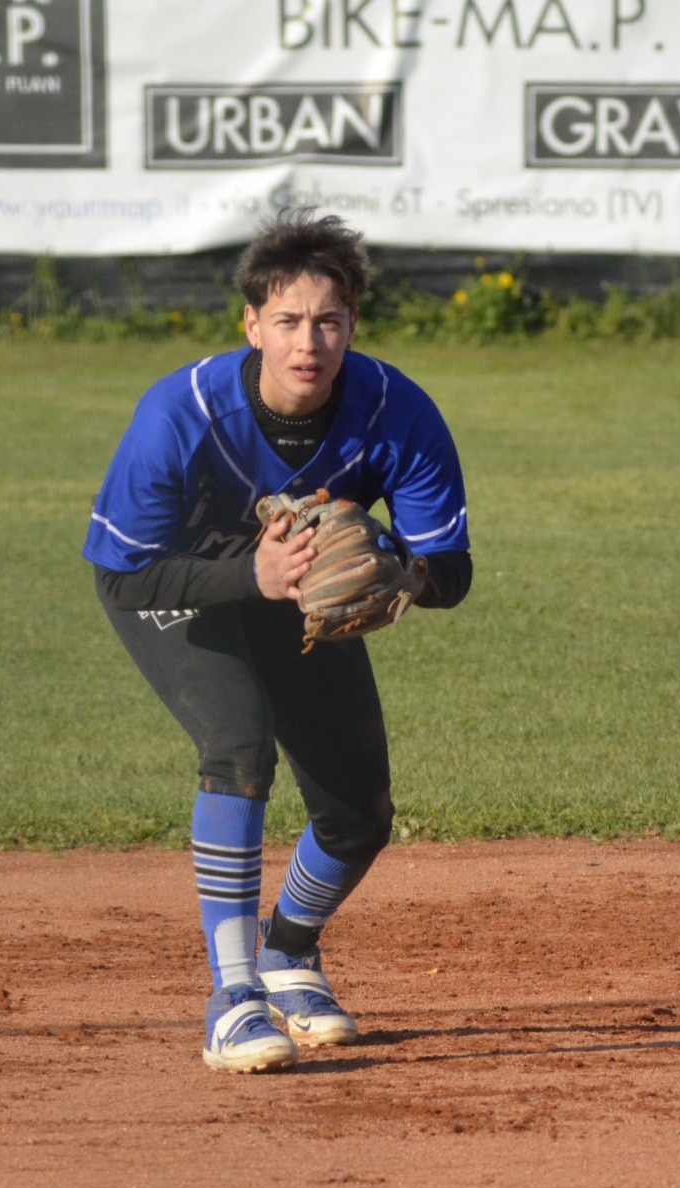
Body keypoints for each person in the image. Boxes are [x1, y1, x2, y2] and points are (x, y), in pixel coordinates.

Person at [82, 208, 472, 1073]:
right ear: (251, 324)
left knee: (359, 814)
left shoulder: (395, 411)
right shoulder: (181, 413)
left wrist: (401, 572)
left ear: (353, 325)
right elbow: (124, 577)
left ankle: (287, 953)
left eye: (328, 321)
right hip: (180, 589)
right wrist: (247, 576)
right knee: (238, 745)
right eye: (288, 320)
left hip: (296, 595)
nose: (309, 342)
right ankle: (233, 998)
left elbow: (452, 569)